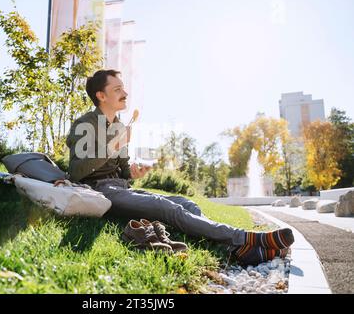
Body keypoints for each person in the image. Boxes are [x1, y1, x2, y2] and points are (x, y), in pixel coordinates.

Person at [66, 70, 294, 265]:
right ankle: (245, 238)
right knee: (166, 207)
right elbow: (77, 171)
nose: (125, 94)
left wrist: (135, 172)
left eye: (123, 88)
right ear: (101, 95)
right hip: (100, 191)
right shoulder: (85, 124)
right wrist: (115, 145)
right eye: (117, 89)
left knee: (187, 203)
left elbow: (124, 173)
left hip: (121, 188)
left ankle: (236, 251)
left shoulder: (119, 125)